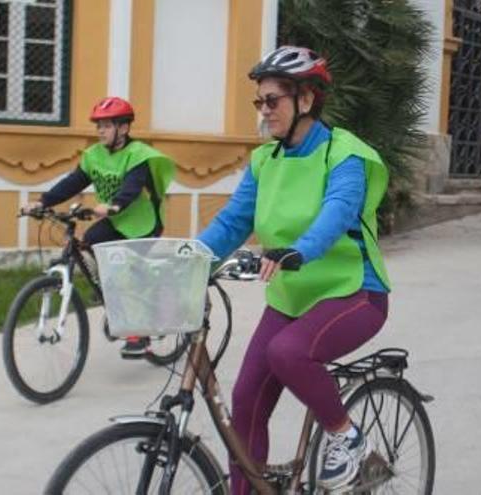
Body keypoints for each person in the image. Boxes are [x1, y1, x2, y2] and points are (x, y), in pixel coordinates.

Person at [195, 46, 391, 493]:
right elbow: (232, 221)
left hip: (353, 292)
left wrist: (298, 250)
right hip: (293, 298)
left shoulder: (344, 154)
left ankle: (347, 435)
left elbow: (337, 212)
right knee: (244, 404)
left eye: (273, 101)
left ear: (306, 99)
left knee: (287, 352)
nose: (264, 112)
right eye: (259, 102)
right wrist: (187, 257)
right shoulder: (265, 161)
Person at [22, 96, 176, 357]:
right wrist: (43, 202)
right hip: (116, 221)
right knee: (87, 243)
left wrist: (113, 205)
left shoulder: (137, 155)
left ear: (124, 128)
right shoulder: (94, 155)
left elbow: (131, 188)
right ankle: (114, 301)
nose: (100, 131)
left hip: (143, 222)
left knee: (129, 271)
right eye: (98, 126)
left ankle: (140, 334)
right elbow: (73, 183)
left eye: (106, 125)